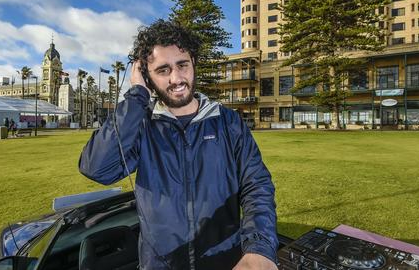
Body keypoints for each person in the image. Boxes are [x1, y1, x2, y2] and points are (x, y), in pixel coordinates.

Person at [79, 20, 278, 270]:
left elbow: (257, 186)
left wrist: (259, 248)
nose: (176, 78)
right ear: (147, 77)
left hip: (226, 261)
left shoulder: (228, 122)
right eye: (162, 70)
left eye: (182, 65)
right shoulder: (142, 125)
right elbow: (97, 168)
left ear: (193, 62)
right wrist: (136, 97)